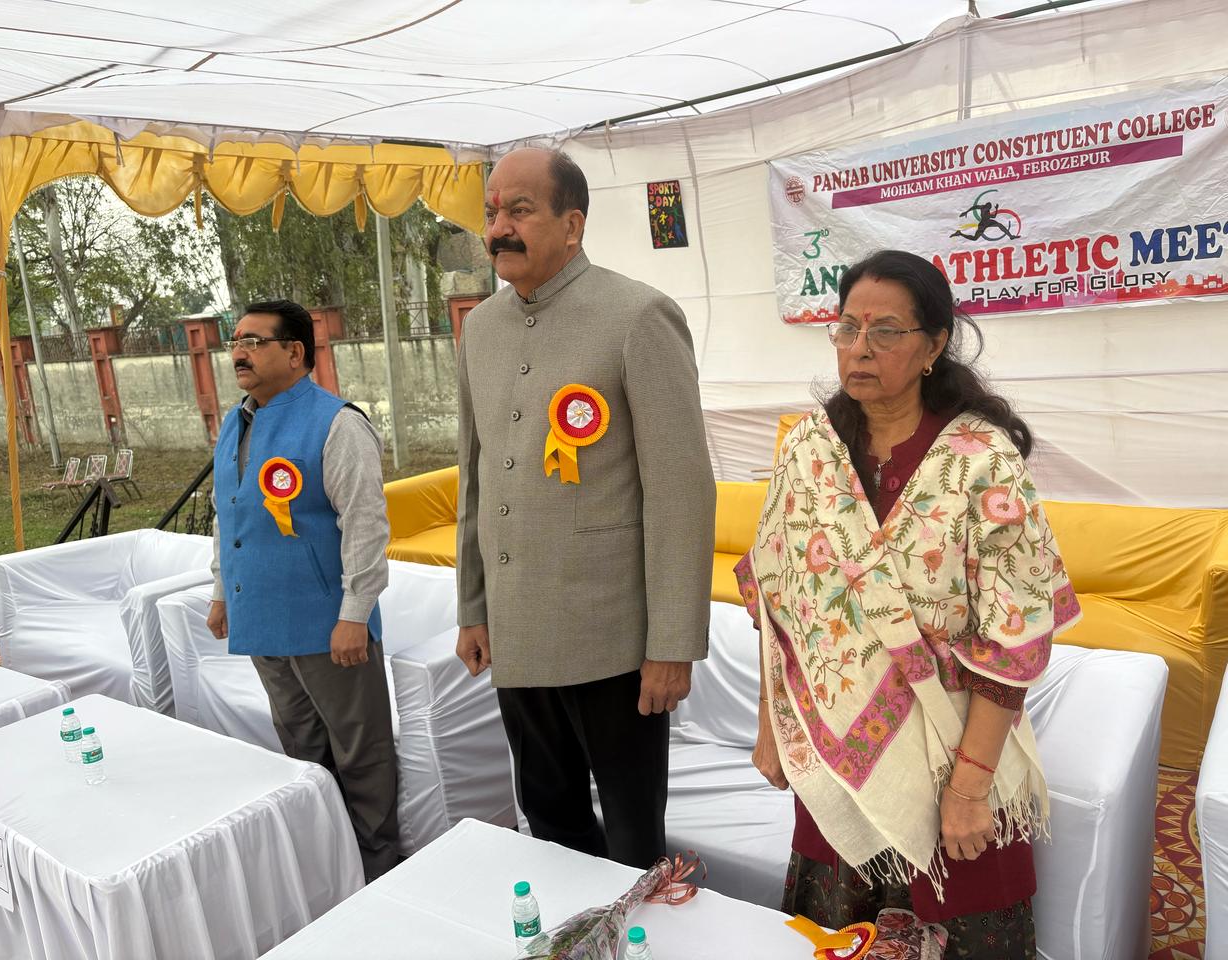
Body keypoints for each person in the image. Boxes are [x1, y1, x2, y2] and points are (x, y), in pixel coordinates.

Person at [736, 250, 1082, 958]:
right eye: (847, 327)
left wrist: (970, 788)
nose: (860, 347)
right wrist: (773, 727)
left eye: (886, 331)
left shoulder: (982, 462)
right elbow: (778, 606)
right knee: (843, 936)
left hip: (957, 750)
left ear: (933, 345)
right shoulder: (809, 453)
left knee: (964, 929)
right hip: (835, 749)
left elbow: (1014, 640)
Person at [454, 147, 716, 869]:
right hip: (516, 629)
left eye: (520, 210)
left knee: (632, 834)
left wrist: (672, 644)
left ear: (572, 225)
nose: (499, 229)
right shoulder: (481, 328)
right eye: (492, 213)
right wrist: (473, 606)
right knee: (549, 817)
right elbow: (477, 475)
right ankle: (576, 928)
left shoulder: (638, 316)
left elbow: (681, 491)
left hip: (613, 639)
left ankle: (639, 929)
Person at [206, 299, 399, 882]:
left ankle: (379, 868)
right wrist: (221, 591)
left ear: (295, 353)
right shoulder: (236, 422)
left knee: (360, 753)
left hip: (327, 624)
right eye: (235, 342)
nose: (238, 353)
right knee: (302, 751)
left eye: (253, 342)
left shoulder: (336, 423)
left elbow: (365, 523)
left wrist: (354, 613)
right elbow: (226, 512)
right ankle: (329, 865)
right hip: (262, 615)